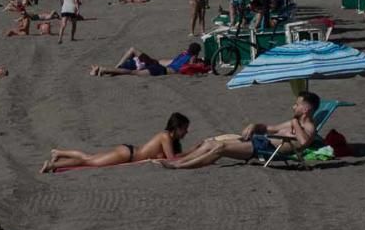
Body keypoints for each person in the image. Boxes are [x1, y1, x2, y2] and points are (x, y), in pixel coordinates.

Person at [161, 92, 320, 169]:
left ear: (305, 109)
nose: (293, 106)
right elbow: (269, 128)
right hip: (260, 141)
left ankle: (181, 166)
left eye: (297, 104)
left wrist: (295, 123)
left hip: (263, 148)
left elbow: (304, 142)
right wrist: (254, 125)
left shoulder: (308, 126)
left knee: (220, 148)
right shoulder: (294, 122)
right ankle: (179, 161)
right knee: (211, 142)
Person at [41, 113, 191, 173]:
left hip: (128, 152)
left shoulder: (167, 137)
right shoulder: (165, 136)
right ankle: (52, 165)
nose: (186, 132)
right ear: (177, 128)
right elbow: (172, 160)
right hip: (128, 155)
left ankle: (59, 153)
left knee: (90, 158)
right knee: (89, 162)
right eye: (184, 129)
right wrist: (194, 151)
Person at [90, 43, 204, 77]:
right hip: (160, 70)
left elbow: (168, 60)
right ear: (196, 53)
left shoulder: (182, 54)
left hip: (156, 63)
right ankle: (104, 69)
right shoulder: (190, 61)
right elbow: (192, 67)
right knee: (133, 73)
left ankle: (112, 70)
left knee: (133, 50)